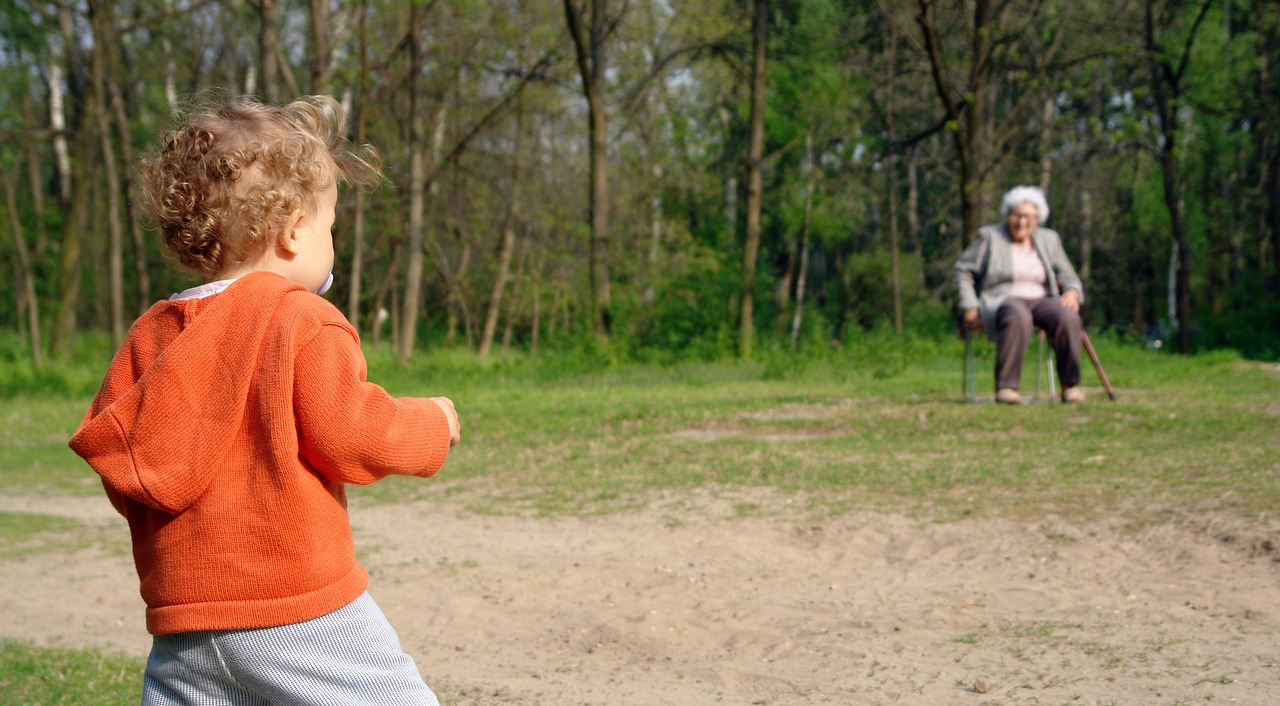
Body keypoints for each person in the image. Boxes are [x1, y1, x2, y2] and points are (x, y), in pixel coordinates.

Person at [69, 94, 460, 705]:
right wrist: (431, 423)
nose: (332, 242)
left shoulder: (151, 335)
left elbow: (131, 469)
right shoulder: (299, 319)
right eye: (329, 227)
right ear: (294, 231)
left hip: (184, 623)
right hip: (300, 609)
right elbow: (349, 433)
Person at [953, 185, 1086, 404]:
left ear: (1037, 218)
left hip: (1043, 299)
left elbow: (1068, 273)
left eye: (1028, 217)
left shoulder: (1049, 239)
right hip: (1003, 300)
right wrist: (969, 305)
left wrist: (1072, 291)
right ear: (1007, 215)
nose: (1021, 222)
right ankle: (1006, 387)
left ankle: (1069, 386)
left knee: (1068, 317)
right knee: (1018, 314)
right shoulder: (990, 237)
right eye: (1016, 216)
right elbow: (963, 270)